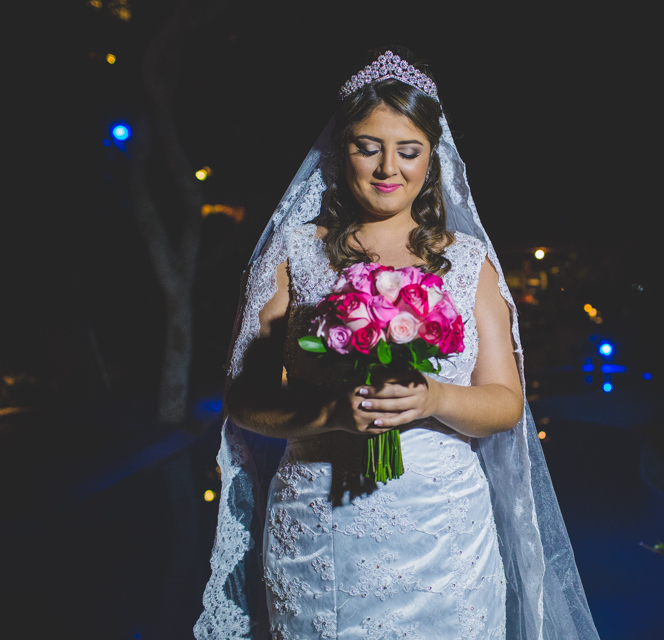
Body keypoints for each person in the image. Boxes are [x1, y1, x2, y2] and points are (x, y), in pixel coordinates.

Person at [195, 48, 599, 640]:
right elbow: (244, 398)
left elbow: (505, 403)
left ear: (432, 160)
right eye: (368, 147)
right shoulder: (294, 251)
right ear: (342, 151)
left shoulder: (467, 263)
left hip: (445, 535)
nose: (388, 168)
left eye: (408, 151)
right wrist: (328, 413)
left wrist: (435, 397)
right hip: (318, 526)